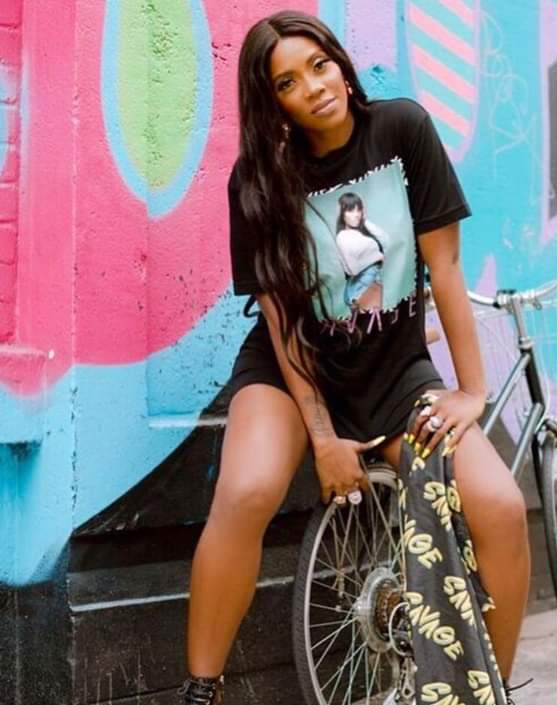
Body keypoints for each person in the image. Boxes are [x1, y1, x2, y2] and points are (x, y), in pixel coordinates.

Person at [179, 10, 531, 705]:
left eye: (319, 65)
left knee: (500, 507)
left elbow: (445, 267)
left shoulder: (401, 131)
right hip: (292, 370)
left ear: (340, 64)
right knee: (246, 491)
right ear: (272, 102)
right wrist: (322, 438)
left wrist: (471, 389)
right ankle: (201, 689)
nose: (313, 86)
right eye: (287, 82)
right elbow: (281, 319)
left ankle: (488, 689)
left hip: (394, 369)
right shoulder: (258, 181)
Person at [335, 192, 386, 311]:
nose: (356, 214)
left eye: (358, 210)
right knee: (374, 320)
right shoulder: (343, 237)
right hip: (362, 285)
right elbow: (352, 270)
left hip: (371, 280)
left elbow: (385, 239)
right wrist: (377, 258)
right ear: (341, 214)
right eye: (350, 210)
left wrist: (364, 220)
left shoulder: (359, 232)